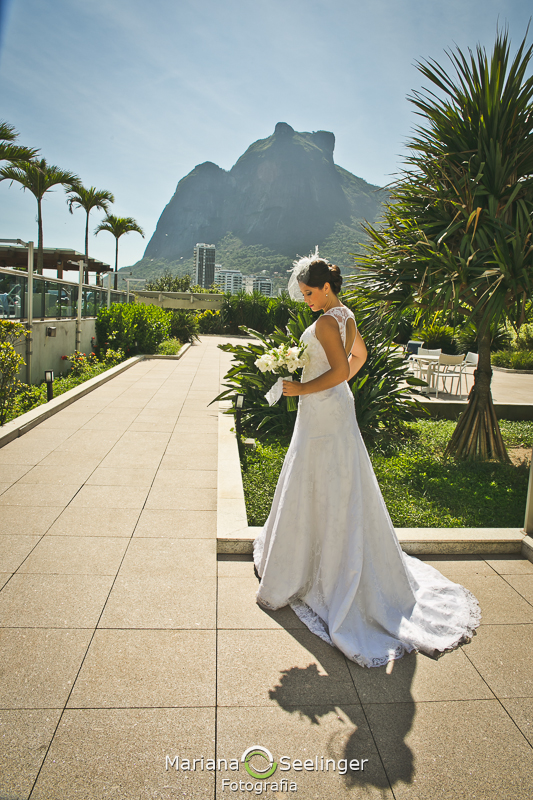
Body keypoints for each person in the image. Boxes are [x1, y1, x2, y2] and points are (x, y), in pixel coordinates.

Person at [253, 250, 481, 668]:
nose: (305, 299)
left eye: (309, 292)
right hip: (335, 408)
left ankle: (308, 568)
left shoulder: (326, 321)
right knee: (340, 482)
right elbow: (356, 359)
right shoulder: (345, 315)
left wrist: (303, 388)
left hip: (323, 410)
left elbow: (340, 369)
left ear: (326, 287)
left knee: (319, 478)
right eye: (302, 293)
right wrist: (326, 386)